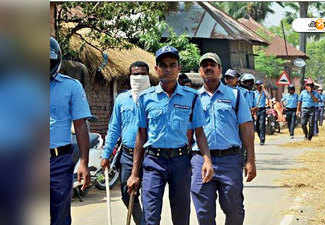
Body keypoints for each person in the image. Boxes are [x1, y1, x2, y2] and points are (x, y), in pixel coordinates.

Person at [126, 46, 214, 225]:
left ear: (179, 68)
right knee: (150, 216)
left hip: (180, 162)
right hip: (153, 162)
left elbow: (199, 132)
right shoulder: (145, 98)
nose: (168, 69)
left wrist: (207, 160)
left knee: (181, 216)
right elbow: (141, 136)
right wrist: (135, 173)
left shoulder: (192, 97)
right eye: (164, 65)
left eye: (172, 65)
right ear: (157, 69)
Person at [191, 52, 256, 225]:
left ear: (219, 70)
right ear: (200, 71)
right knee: (204, 213)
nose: (208, 68)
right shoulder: (193, 98)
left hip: (230, 160)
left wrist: (250, 160)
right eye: (205, 65)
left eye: (212, 64)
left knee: (234, 210)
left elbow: (246, 127)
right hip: (200, 160)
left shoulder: (234, 96)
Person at [100, 61, 151, 225]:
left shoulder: (155, 97)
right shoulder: (122, 99)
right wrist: (106, 154)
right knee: (126, 193)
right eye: (135, 74)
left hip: (151, 155)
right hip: (128, 155)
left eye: (143, 74)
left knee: (149, 197)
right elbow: (114, 128)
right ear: (130, 76)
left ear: (148, 76)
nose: (139, 77)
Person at [50, 37, 92, 225]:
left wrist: (84, 161)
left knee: (60, 216)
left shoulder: (71, 86)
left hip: (59, 162)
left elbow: (81, 125)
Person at [254, 80, 269, 145]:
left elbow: (268, 96)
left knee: (262, 125)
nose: (258, 86)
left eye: (259, 85)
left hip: (262, 110)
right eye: (257, 85)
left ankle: (262, 140)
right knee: (257, 127)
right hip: (256, 110)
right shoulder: (254, 93)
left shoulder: (264, 92)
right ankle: (261, 138)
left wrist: (263, 88)